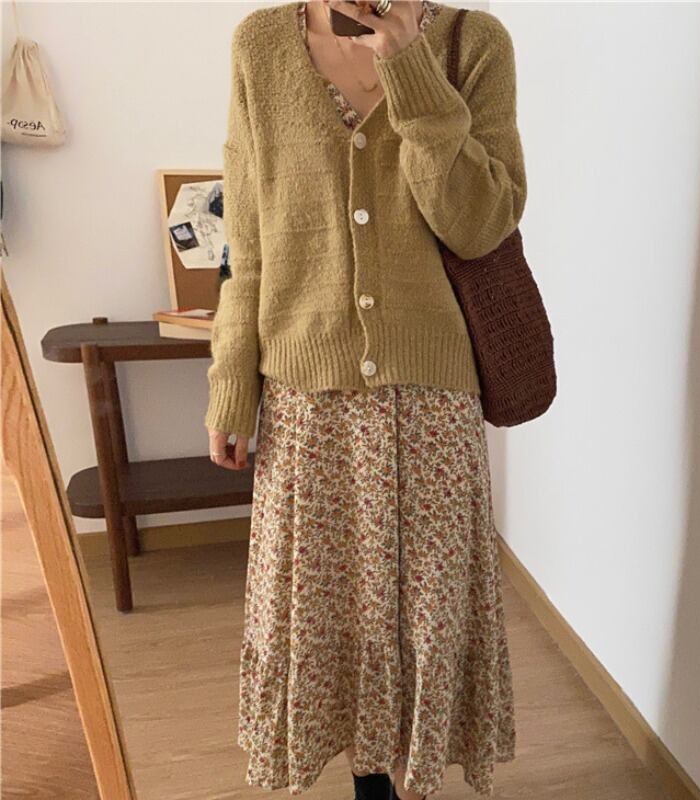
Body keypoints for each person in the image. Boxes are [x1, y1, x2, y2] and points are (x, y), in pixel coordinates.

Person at [205, 1, 527, 798]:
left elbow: (481, 223)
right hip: (307, 399)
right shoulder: (260, 46)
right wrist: (231, 382)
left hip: (430, 399)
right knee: (327, 617)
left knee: (428, 616)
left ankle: (410, 779)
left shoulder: (474, 44)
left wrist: (410, 64)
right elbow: (249, 240)